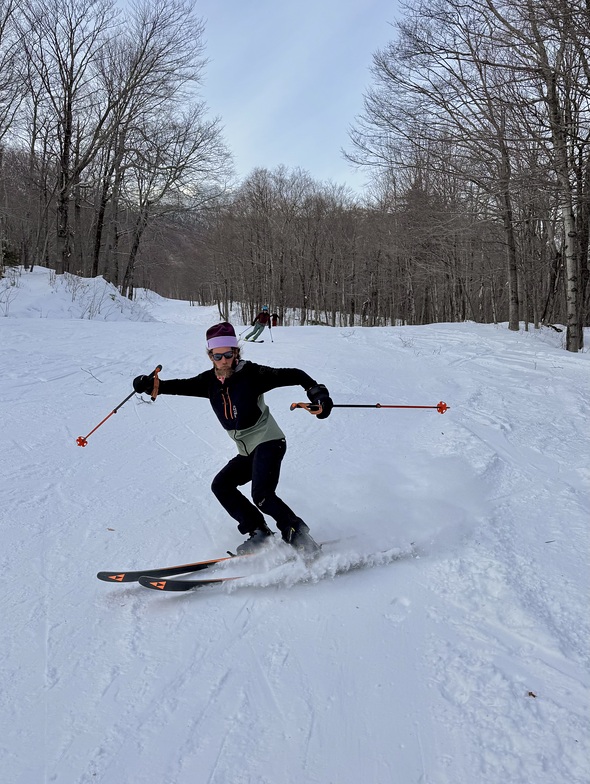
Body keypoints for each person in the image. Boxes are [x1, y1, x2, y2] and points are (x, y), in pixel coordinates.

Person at [133, 322, 333, 555]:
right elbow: (178, 386)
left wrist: (319, 395)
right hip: (247, 450)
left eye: (229, 354)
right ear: (211, 356)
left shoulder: (252, 374)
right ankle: (259, 532)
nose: (224, 360)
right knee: (222, 485)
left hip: (269, 441)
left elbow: (296, 375)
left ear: (236, 353)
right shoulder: (208, 383)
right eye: (218, 356)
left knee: (262, 495)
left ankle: (299, 536)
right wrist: (151, 386)